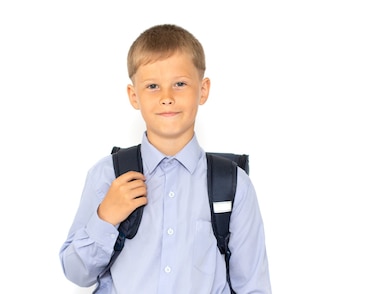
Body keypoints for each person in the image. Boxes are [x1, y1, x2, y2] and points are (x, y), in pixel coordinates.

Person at [59, 24, 272, 294]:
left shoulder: (232, 185)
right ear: (133, 96)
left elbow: (253, 287)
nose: (167, 98)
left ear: (203, 90)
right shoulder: (107, 175)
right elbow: (77, 273)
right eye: (152, 86)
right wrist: (105, 217)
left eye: (180, 84)